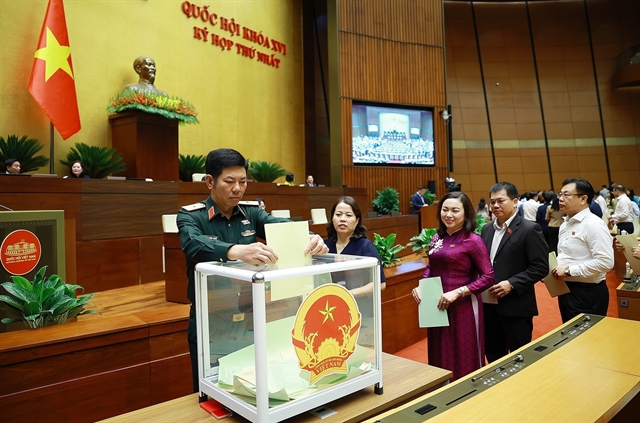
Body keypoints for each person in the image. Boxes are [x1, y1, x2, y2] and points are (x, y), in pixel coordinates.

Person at [177, 148, 328, 393]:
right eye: (229, 181)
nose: (238, 189)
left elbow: (281, 226)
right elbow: (193, 244)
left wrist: (310, 236)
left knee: (249, 383)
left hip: (250, 316)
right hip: (211, 317)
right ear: (210, 181)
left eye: (243, 181)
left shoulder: (252, 212)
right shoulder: (191, 216)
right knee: (209, 388)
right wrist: (234, 250)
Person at [411, 191, 495, 381]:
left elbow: (489, 276)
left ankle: (467, 389)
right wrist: (421, 286)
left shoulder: (473, 241)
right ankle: (441, 387)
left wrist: (458, 292)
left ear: (466, 213)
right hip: (437, 304)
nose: (448, 214)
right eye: (445, 209)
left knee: (463, 350)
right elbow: (431, 266)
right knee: (439, 348)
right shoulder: (437, 237)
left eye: (455, 210)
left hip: (463, 305)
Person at [480, 182, 548, 363]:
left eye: (501, 201)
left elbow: (541, 267)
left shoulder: (529, 229)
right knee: (493, 354)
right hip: (489, 304)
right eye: (492, 202)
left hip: (516, 305)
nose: (495, 205)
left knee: (520, 357)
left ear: (515, 201)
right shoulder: (486, 229)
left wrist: (511, 284)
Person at [551, 178, 614, 323]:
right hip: (566, 289)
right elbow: (566, 255)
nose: (561, 199)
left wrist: (569, 271)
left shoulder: (594, 224)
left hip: (588, 292)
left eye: (566, 195)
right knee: (569, 333)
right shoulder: (565, 224)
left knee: (588, 336)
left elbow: (605, 262)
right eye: (560, 194)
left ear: (583, 199)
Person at [324, 196, 385, 295]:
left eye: (348, 215)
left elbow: (381, 284)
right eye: (338, 214)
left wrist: (347, 295)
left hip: (358, 302)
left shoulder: (365, 246)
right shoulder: (325, 246)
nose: (342, 219)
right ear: (332, 218)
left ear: (357, 221)